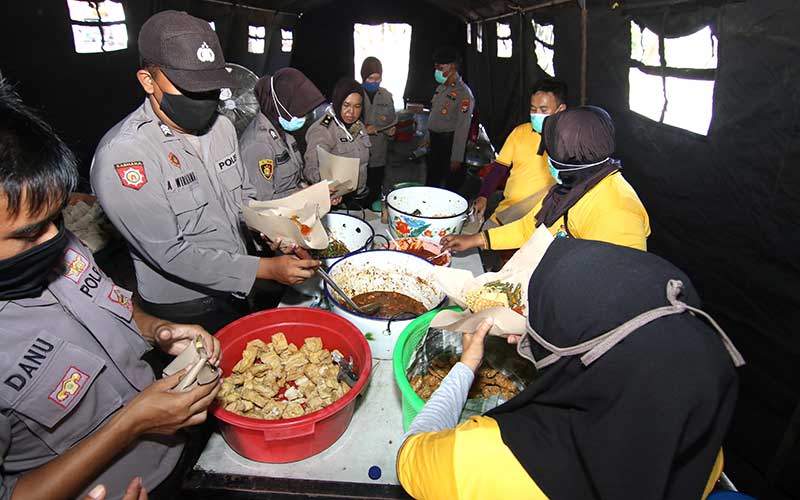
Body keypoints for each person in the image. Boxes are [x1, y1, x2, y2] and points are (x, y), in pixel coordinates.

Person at [0, 78, 220, 500]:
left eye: (56, 219)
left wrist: (158, 331)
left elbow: (113, 305)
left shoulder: (59, 248)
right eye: (30, 234)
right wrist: (131, 424)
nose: (54, 241)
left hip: (182, 451)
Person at [397, 237, 745, 500]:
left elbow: (412, 455)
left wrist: (465, 367)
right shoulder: (695, 441)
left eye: (546, 321)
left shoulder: (486, 457)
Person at [90, 11, 319, 333]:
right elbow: (169, 254)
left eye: (211, 88)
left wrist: (273, 230)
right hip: (183, 306)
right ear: (148, 81)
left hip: (237, 286)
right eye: (190, 88)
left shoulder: (222, 127)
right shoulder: (126, 157)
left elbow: (243, 195)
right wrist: (265, 269)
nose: (204, 101)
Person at [442, 106, 651, 254]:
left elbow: (618, 282)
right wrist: (475, 240)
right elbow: (530, 228)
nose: (546, 159)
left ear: (571, 156)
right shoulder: (572, 187)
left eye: (550, 153)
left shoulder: (617, 209)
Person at [473, 79, 567, 227]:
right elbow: (498, 169)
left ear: (560, 110)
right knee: (482, 241)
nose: (536, 115)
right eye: (533, 109)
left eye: (543, 110)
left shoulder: (568, 140)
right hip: (508, 211)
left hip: (543, 218)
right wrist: (484, 195)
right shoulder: (519, 133)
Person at [239, 68, 324, 201]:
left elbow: (295, 179)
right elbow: (263, 201)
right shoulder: (259, 144)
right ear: (282, 104)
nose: (303, 118)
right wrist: (303, 194)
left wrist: (313, 190)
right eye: (299, 112)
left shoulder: (284, 132)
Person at [303, 78, 371, 206]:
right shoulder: (323, 129)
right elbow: (312, 167)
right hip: (336, 201)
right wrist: (326, 190)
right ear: (338, 103)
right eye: (346, 105)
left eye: (357, 106)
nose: (351, 112)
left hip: (358, 197)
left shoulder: (359, 126)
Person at [424, 46, 474, 192]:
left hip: (449, 145)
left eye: (440, 66)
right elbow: (434, 114)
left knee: (449, 188)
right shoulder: (442, 87)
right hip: (436, 142)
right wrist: (428, 137)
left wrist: (456, 157)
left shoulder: (464, 94)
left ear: (452, 66)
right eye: (436, 66)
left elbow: (462, 128)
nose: (437, 70)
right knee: (431, 183)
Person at [359, 57, 397, 206]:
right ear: (363, 77)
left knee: (375, 189)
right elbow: (343, 123)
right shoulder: (355, 94)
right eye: (370, 78)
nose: (374, 82)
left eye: (378, 78)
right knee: (358, 191)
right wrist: (363, 129)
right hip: (358, 152)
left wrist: (391, 131)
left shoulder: (386, 96)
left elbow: (392, 120)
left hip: (379, 152)